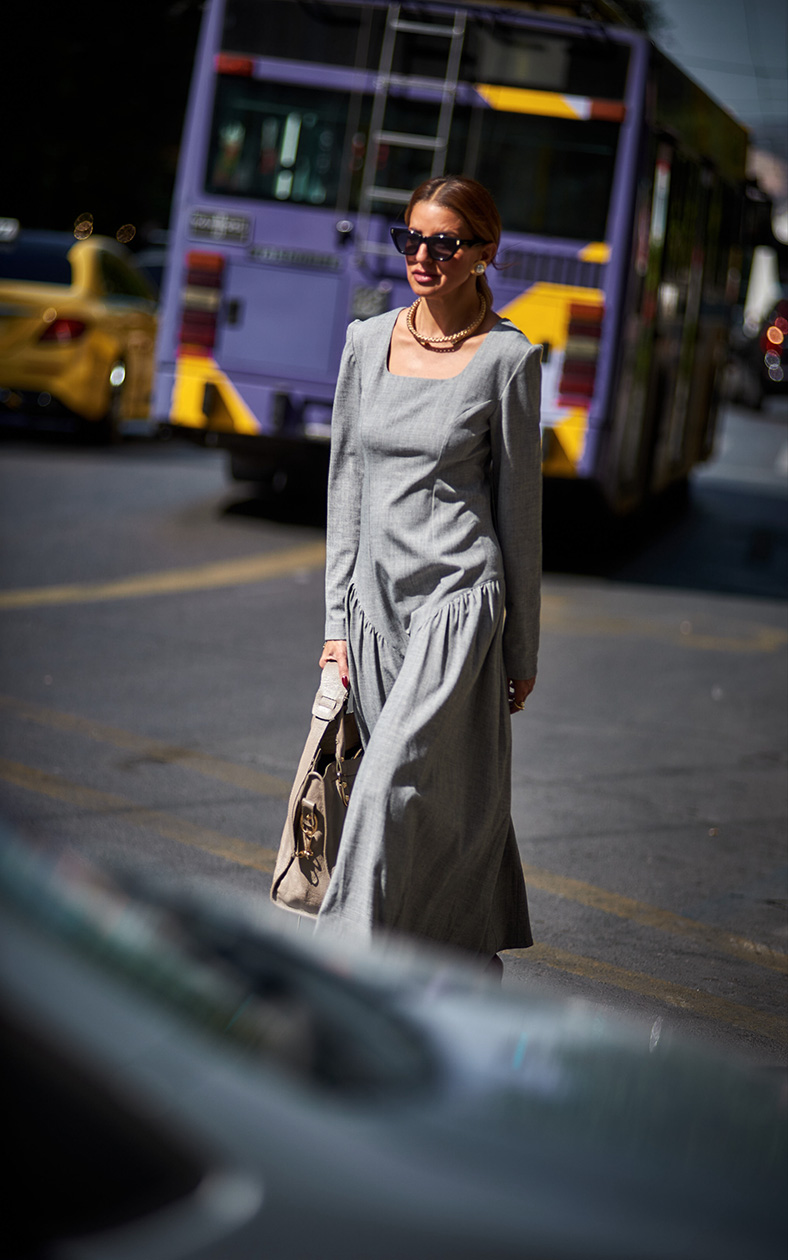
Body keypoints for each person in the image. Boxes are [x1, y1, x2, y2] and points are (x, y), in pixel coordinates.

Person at [317, 175, 542, 971]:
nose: (422, 255)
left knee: (386, 789)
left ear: (483, 253)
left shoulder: (509, 360)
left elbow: (519, 515)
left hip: (456, 608)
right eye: (410, 238)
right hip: (375, 610)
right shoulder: (365, 342)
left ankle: (337, 978)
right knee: (442, 801)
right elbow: (347, 487)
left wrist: (521, 651)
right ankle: (462, 963)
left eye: (444, 243)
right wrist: (336, 626)